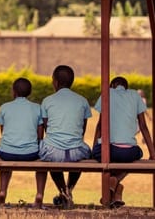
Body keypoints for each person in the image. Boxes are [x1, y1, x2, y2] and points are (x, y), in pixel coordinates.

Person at [92, 76, 155, 208]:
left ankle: (114, 183)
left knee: (107, 158)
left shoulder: (107, 93)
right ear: (126, 87)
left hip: (107, 150)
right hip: (127, 151)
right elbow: (143, 126)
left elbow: (100, 125)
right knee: (137, 153)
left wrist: (94, 150)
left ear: (112, 85)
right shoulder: (135, 95)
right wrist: (153, 154)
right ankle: (117, 186)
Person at [39, 65, 92, 209]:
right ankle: (69, 190)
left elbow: (46, 128)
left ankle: (63, 192)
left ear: (55, 82)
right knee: (83, 151)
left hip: (52, 151)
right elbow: (82, 130)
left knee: (51, 158)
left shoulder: (47, 101)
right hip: (76, 151)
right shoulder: (82, 101)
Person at [0, 77, 45, 208]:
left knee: (5, 152)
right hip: (31, 153)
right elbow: (40, 135)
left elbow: (3, 131)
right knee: (43, 160)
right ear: (30, 92)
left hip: (7, 152)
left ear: (13, 91)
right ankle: (39, 194)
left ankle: (2, 191)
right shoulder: (37, 108)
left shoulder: (4, 107)